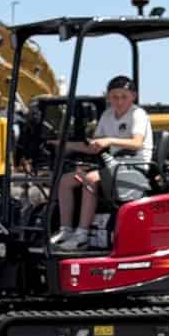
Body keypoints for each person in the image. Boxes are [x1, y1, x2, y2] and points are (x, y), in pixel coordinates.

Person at [52, 74, 156, 248]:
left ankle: (82, 235)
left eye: (124, 96)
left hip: (134, 167)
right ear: (108, 97)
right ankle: (66, 229)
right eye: (115, 97)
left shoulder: (138, 114)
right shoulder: (107, 115)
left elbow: (136, 143)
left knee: (91, 179)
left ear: (133, 96)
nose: (119, 101)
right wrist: (64, 144)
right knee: (67, 180)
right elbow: (95, 145)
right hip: (113, 165)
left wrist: (109, 140)